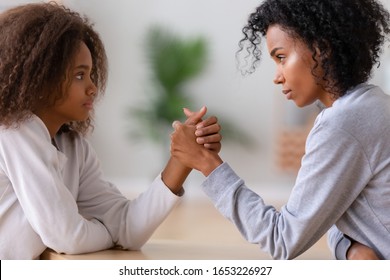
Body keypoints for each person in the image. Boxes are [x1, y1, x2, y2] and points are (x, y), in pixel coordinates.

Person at [170, 0, 390, 260]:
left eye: (281, 57)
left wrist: (207, 163)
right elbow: (333, 215)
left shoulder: (341, 124)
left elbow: (282, 239)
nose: (277, 76)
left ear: (321, 49)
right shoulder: (376, 104)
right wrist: (349, 248)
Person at [0, 2, 221, 260]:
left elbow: (127, 229)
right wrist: (108, 234)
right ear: (40, 78)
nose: (93, 87)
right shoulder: (14, 132)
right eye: (79, 75)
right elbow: (65, 235)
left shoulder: (74, 148)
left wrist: (180, 161)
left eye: (92, 74)